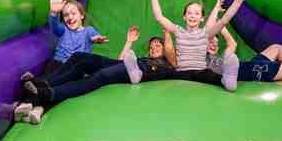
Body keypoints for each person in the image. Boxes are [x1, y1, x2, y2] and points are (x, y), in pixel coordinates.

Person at [16, 27, 177, 123]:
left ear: (166, 49)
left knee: (100, 75)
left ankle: (48, 93)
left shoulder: (168, 62)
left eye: (158, 45)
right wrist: (129, 41)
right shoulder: (144, 58)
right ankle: (41, 82)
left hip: (144, 70)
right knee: (80, 57)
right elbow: (120, 61)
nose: (154, 48)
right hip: (127, 66)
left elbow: (170, 52)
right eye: (151, 47)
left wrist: (167, 33)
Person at [142, 0, 251, 90]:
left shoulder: (205, 33)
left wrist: (238, 0)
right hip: (182, 73)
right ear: (184, 17)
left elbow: (224, 20)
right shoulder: (178, 31)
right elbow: (159, 17)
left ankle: (227, 80)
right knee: (165, 72)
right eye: (189, 13)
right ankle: (138, 75)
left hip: (200, 72)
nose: (192, 16)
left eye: (196, 13)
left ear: (202, 18)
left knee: (210, 75)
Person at [13, 0, 108, 123]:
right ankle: (27, 106)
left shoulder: (88, 31)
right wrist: (53, 13)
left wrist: (97, 39)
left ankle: (37, 106)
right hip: (57, 63)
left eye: (73, 13)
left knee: (55, 88)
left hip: (74, 70)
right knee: (45, 81)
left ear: (82, 15)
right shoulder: (63, 30)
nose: (70, 17)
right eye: (66, 15)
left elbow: (94, 36)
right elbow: (54, 27)